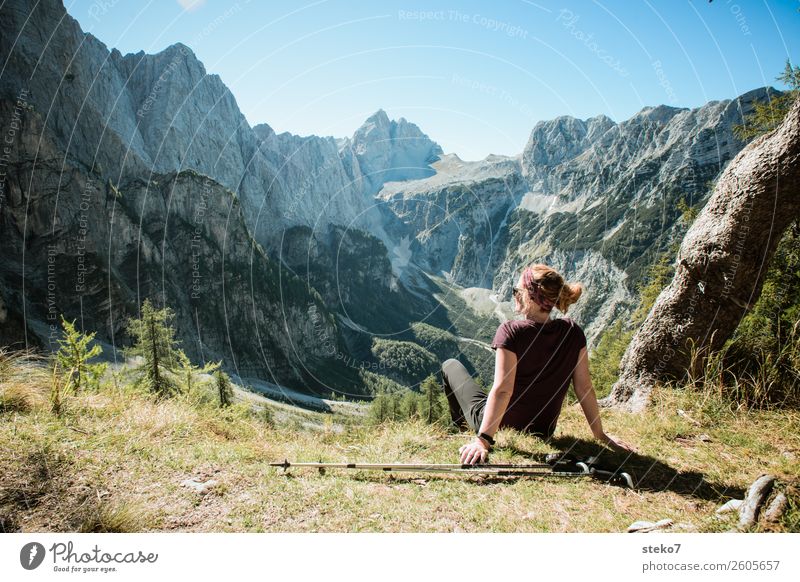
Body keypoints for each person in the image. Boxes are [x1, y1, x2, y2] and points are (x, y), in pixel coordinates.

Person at [441, 264, 635, 465]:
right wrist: (600, 434)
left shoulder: (510, 332)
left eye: (517, 291)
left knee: (450, 365)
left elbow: (502, 391)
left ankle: (464, 431)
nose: (514, 295)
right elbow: (584, 387)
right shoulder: (573, 332)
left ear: (530, 296)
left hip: (501, 425)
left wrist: (483, 441)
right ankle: (472, 431)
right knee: (483, 393)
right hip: (543, 429)